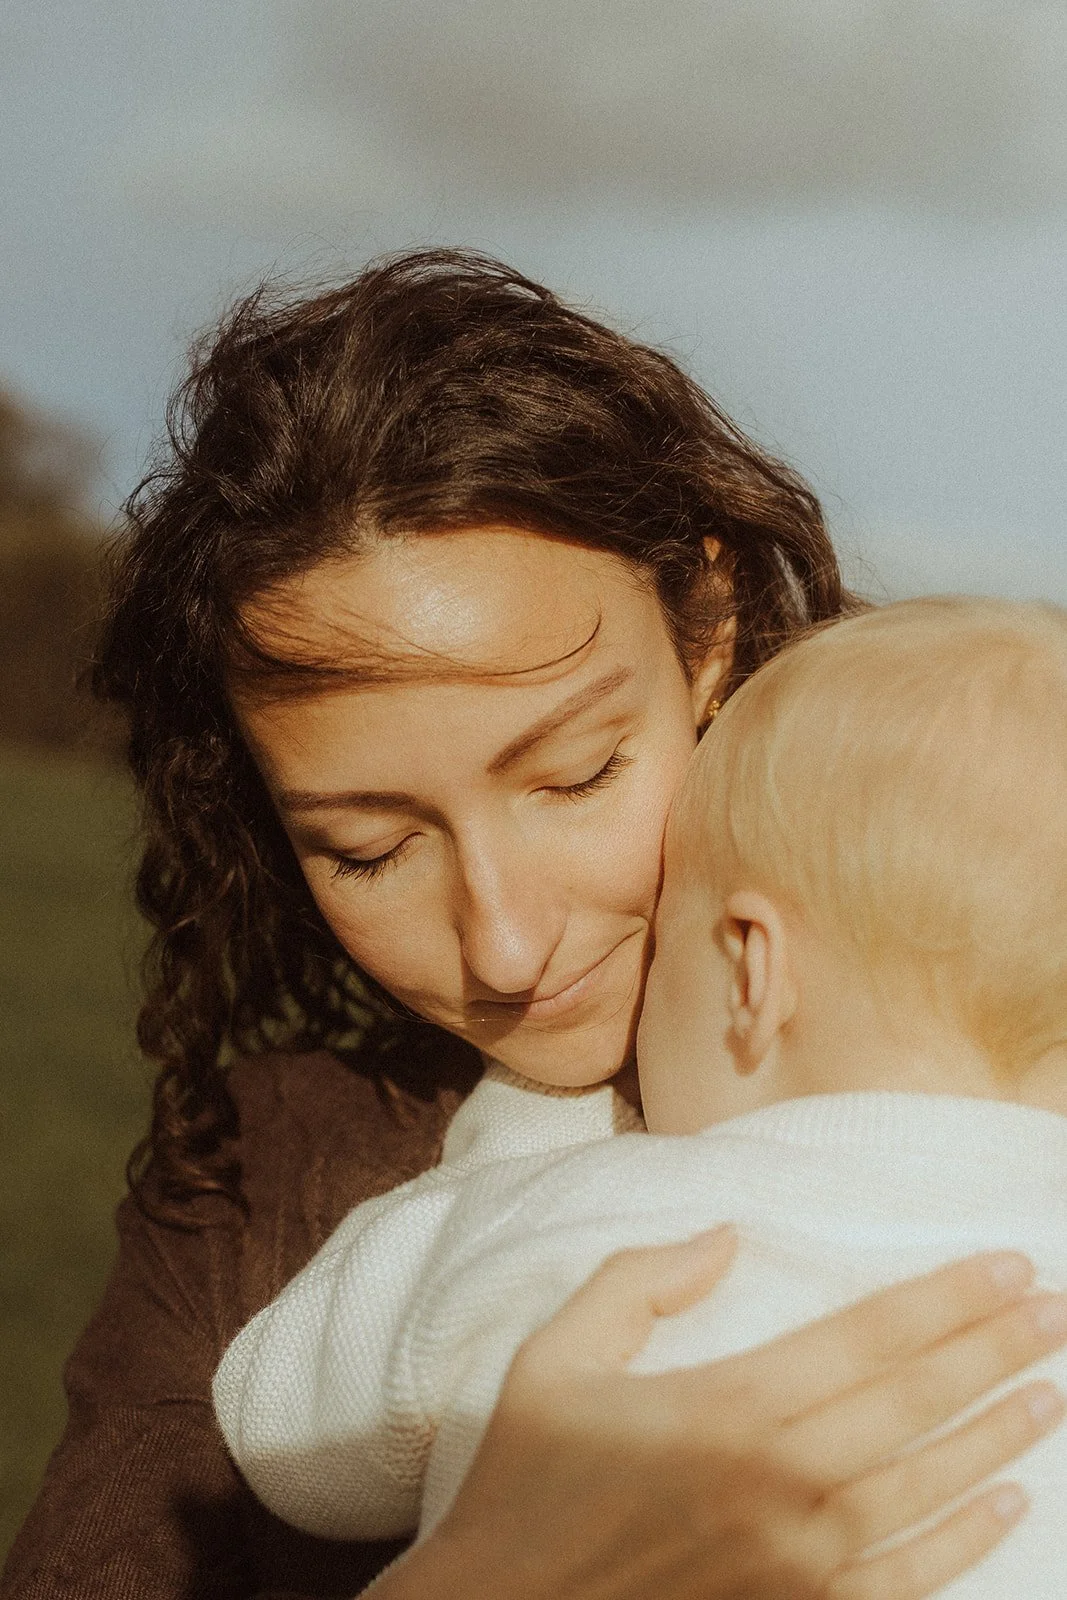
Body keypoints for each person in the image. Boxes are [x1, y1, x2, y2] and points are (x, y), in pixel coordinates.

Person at [5, 254, 1065, 1600]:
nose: (505, 946)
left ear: (706, 634)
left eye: (573, 778)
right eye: (368, 849)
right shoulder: (256, 1192)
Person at [211, 595, 1067, 1598]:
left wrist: (534, 1131)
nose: (510, 953)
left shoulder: (604, 1210)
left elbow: (284, 1429)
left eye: (670, 941)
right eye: (367, 847)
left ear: (750, 970)